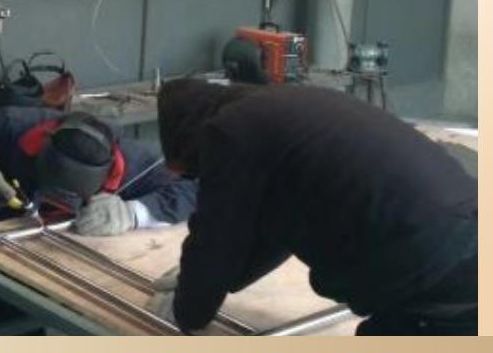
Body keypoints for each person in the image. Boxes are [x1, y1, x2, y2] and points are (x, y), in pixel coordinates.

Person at [152, 78, 478, 336]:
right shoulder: (279, 111)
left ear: (186, 138)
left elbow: (217, 236)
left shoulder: (228, 132)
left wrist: (185, 312)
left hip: (431, 263)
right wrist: (207, 281)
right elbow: (275, 232)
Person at [0, 106, 196, 236]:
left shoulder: (137, 164)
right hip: (0, 234)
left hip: (80, 249)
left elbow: (194, 192)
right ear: (42, 149)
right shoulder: (16, 127)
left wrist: (133, 213)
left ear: (107, 174)